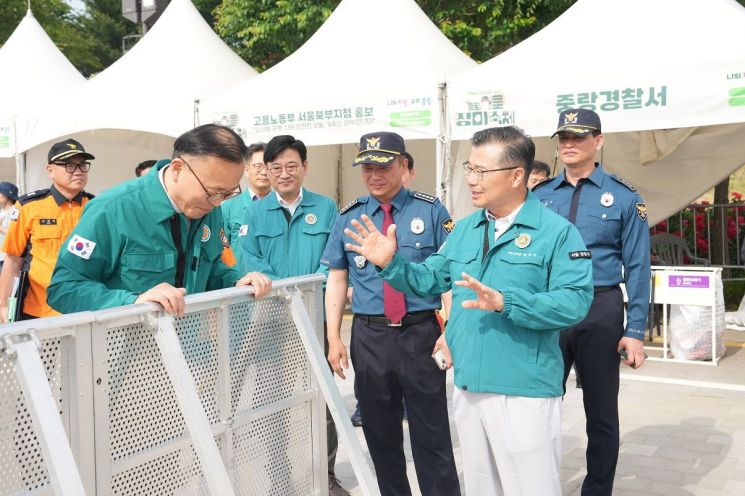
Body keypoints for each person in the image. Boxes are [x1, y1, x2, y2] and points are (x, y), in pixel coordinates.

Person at [343, 126, 593, 496]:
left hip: (523, 388)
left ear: (516, 175)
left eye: (481, 172)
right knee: (480, 487)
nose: (472, 181)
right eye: (468, 169)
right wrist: (391, 263)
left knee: (531, 487)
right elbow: (430, 279)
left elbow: (576, 302)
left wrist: (507, 302)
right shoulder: (466, 229)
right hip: (470, 387)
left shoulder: (555, 232)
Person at [323, 131, 460, 496]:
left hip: (420, 334)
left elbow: (447, 277)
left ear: (404, 166)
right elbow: (337, 277)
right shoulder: (350, 217)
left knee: (431, 434)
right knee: (381, 436)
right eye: (368, 167)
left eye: (384, 165)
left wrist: (451, 330)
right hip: (370, 337)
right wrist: (335, 337)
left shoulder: (430, 211)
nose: (375, 174)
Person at [533, 108, 651, 496]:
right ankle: (539, 484)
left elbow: (637, 266)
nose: (568, 144)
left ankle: (597, 490)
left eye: (578, 137)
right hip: (551, 309)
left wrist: (634, 330)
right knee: (538, 406)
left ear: (598, 141)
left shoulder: (623, 196)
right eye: (563, 138)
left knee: (600, 413)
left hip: (600, 308)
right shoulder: (539, 196)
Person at [47, 124, 271, 315]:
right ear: (177, 169)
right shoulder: (113, 210)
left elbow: (209, 267)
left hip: (188, 348)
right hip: (127, 357)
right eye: (213, 191)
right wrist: (133, 302)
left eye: (227, 193)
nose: (217, 202)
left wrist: (235, 282)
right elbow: (64, 288)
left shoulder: (208, 208)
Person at [240, 135, 348, 496]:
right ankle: (279, 476)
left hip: (315, 317)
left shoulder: (326, 207)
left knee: (324, 400)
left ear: (304, 167)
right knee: (274, 405)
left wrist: (304, 290)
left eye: (291, 166)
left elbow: (333, 259)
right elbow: (251, 260)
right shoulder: (253, 212)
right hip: (270, 323)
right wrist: (285, 291)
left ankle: (325, 474)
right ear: (265, 171)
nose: (283, 174)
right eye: (275, 168)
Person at [0, 139, 95, 322]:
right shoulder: (29, 206)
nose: (78, 171)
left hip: (85, 309)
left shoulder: (96, 207)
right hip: (38, 311)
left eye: (82, 165)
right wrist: (3, 305)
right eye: (69, 165)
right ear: (50, 170)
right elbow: (13, 258)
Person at [221, 142, 271, 271]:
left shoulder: (283, 206)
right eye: (258, 166)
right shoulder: (229, 206)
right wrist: (234, 272)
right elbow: (223, 245)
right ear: (247, 170)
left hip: (274, 281)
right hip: (242, 282)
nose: (264, 172)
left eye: (269, 166)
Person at [0, 181, 19, 271]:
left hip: (6, 258)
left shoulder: (14, 211)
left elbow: (13, 234)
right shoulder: (2, 211)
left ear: (7, 196)